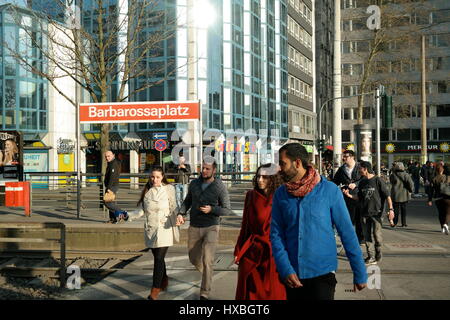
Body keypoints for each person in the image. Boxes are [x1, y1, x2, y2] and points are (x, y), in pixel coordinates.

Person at [270, 143, 367, 301]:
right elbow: (276, 235)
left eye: (283, 163)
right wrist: (284, 268)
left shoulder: (329, 190)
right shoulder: (281, 194)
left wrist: (360, 271)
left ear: (298, 163)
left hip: (323, 275)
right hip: (292, 275)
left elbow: (347, 232)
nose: (280, 168)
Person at [177, 156, 233, 300]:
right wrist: (181, 213)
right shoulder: (194, 183)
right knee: (194, 258)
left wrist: (212, 209)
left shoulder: (219, 186)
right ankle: (207, 273)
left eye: (207, 168)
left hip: (211, 226)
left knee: (208, 260)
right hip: (194, 226)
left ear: (214, 170)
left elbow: (226, 209)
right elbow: (188, 200)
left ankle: (205, 292)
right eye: (202, 168)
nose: (204, 171)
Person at [234, 164, 286, 300]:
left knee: (272, 293)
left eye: (264, 177)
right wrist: (238, 250)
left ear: (273, 178)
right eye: (258, 176)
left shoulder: (280, 197)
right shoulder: (251, 196)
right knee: (251, 292)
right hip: (252, 251)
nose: (260, 180)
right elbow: (245, 226)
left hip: (272, 253)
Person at [137, 166, 179, 300]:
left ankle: (154, 290)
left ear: (162, 177)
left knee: (159, 259)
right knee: (158, 258)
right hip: (151, 229)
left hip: (165, 228)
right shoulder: (147, 191)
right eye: (152, 177)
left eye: (158, 177)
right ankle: (164, 279)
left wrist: (179, 216)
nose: (155, 180)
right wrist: (126, 215)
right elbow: (141, 211)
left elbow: (174, 206)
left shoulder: (169, 189)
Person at [344, 161, 394, 265]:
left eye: (360, 168)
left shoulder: (378, 180)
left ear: (365, 168)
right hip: (364, 213)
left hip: (377, 213)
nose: (359, 170)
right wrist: (349, 195)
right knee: (367, 237)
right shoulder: (362, 182)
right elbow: (359, 197)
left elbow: (387, 196)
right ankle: (370, 256)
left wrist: (391, 209)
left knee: (377, 236)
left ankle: (378, 254)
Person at [333, 150, 364, 243]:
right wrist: (342, 188)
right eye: (344, 156)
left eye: (346, 156)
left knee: (359, 219)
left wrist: (356, 184)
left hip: (359, 196)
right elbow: (335, 181)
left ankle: (360, 239)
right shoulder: (342, 169)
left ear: (352, 157)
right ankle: (350, 239)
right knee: (348, 219)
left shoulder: (360, 167)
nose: (344, 158)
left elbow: (366, 178)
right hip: (346, 197)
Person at [427, 163, 450, 235]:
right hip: (447, 198)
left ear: (436, 171)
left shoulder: (433, 179)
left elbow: (430, 191)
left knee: (441, 213)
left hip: (438, 198)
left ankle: (442, 227)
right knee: (448, 212)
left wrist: (429, 200)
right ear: (443, 170)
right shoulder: (448, 178)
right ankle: (446, 224)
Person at [389, 162, 414, 227]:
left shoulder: (393, 175)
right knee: (404, 209)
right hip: (404, 194)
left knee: (396, 209)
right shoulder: (406, 175)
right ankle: (404, 223)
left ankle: (395, 222)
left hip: (395, 194)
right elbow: (411, 184)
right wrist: (411, 190)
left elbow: (391, 182)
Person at [103, 151, 123, 224]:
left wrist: (109, 188)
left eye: (108, 156)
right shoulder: (111, 163)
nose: (107, 158)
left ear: (113, 155)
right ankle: (113, 219)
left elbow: (112, 177)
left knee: (107, 202)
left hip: (112, 186)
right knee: (109, 201)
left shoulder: (113, 164)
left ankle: (121, 213)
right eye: (106, 156)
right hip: (111, 186)